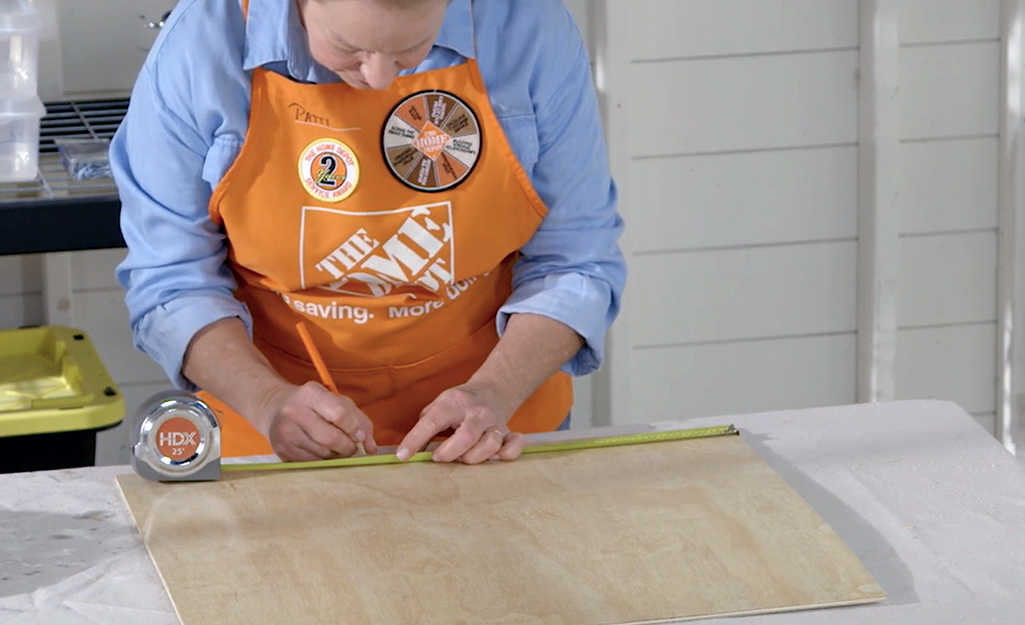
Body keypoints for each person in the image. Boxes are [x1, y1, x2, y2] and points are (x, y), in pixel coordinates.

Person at [111, 0, 626, 465]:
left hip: (491, 434)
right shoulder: (201, 45)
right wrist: (269, 402)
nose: (379, 77)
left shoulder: (528, 29)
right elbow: (172, 280)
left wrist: (494, 392)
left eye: (412, 48)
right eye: (347, 47)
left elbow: (575, 262)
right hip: (270, 437)